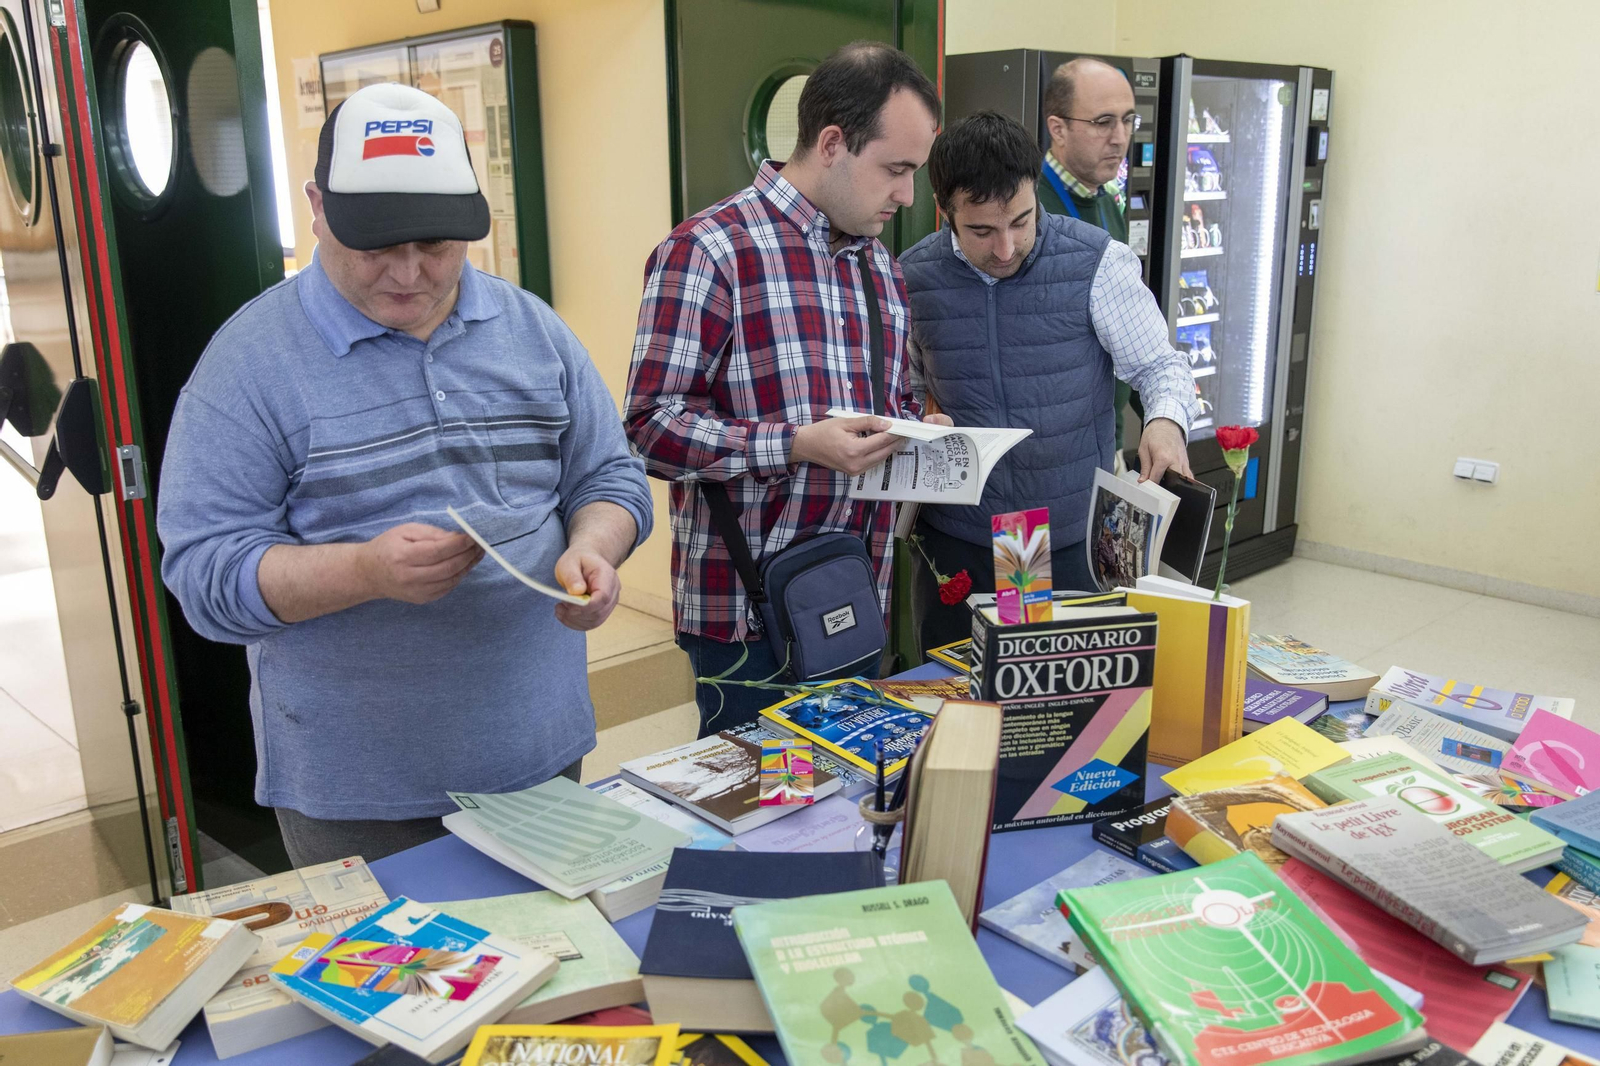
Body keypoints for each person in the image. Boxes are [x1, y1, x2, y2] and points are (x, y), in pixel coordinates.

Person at [157, 84, 652, 867]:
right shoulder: (247, 366)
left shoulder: (531, 329)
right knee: (395, 988)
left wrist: (596, 546)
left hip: (539, 751)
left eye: (438, 246)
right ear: (317, 208)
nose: (411, 274)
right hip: (356, 794)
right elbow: (205, 579)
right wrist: (363, 570)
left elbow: (610, 476)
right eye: (377, 245)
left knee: (557, 974)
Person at [624, 42, 945, 735]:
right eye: (896, 169)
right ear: (832, 143)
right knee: (755, 823)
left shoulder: (881, 270)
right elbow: (650, 426)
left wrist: (923, 431)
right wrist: (796, 445)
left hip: (860, 597)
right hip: (745, 619)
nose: (907, 195)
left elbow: (894, 404)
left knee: (849, 809)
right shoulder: (709, 252)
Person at [900, 111, 1198, 652]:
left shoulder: (1095, 263)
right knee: (954, 703)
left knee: (1054, 710)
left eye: (1021, 220)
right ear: (946, 213)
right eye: (982, 231)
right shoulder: (913, 277)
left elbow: (1161, 366)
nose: (1007, 248)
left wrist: (1164, 421)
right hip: (958, 539)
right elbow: (905, 393)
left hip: (1056, 534)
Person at [1040, 56, 1144, 458]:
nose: (1120, 138)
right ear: (1058, 129)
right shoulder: (1026, 213)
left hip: (1104, 442)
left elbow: (1129, 330)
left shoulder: (1106, 202)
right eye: (1103, 122)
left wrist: (1163, 418)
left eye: (1128, 120)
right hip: (1045, 456)